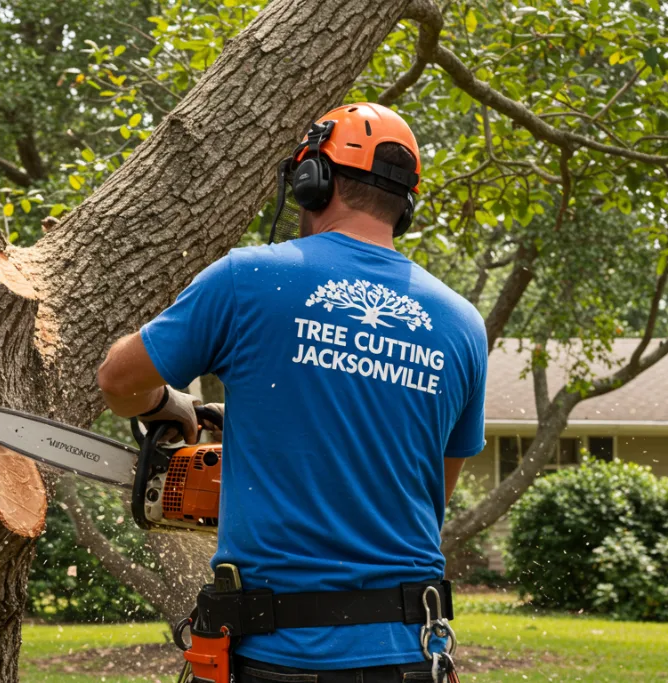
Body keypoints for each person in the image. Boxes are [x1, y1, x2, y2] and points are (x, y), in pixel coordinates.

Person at [97, 103, 487, 682]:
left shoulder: (248, 278)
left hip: (280, 658)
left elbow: (118, 381)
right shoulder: (462, 324)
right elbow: (431, 494)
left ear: (312, 181)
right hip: (409, 655)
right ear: (404, 204)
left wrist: (167, 405)